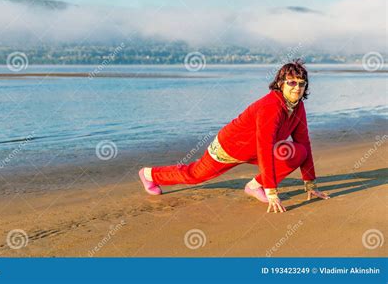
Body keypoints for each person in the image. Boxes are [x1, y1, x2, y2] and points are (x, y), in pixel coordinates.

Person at [138, 59, 330, 213]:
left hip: (256, 150)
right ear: (281, 83)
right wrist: (272, 192)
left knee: (298, 151)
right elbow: (264, 146)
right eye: (292, 82)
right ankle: (149, 174)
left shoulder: (298, 106)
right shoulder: (270, 107)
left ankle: (254, 187)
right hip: (230, 147)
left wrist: (310, 182)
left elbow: (303, 141)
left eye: (301, 83)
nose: (297, 87)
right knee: (195, 175)